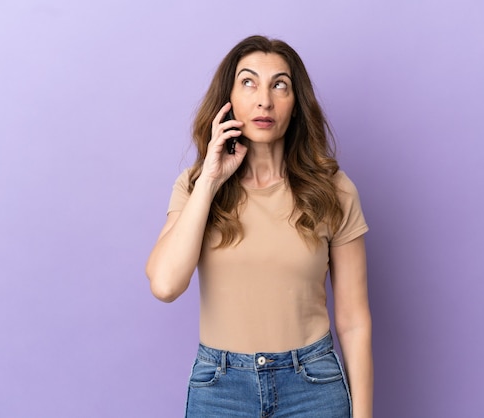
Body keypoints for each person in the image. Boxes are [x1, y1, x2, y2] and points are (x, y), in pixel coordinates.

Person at [146, 35, 373, 417]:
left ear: (296, 105)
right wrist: (211, 181)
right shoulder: (195, 185)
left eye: (279, 85)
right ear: (228, 100)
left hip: (312, 387)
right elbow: (166, 285)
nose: (264, 100)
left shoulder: (333, 189)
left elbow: (353, 321)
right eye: (249, 82)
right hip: (220, 390)